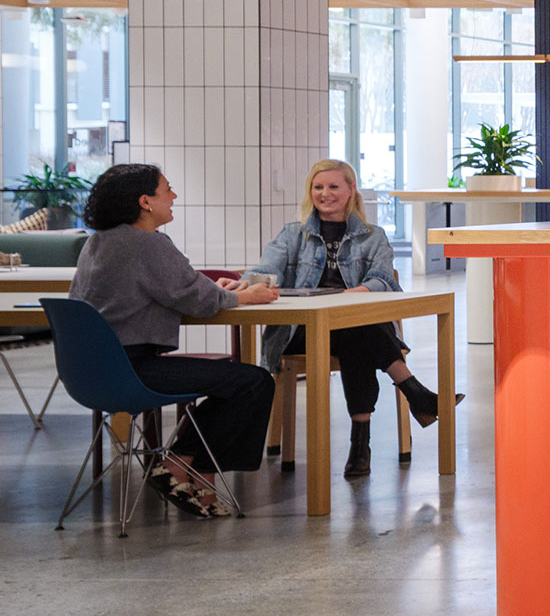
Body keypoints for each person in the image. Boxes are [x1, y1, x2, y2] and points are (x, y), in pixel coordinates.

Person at [68, 163, 279, 518]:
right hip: (133, 370)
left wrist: (213, 289)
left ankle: (192, 475)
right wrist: (248, 295)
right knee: (253, 382)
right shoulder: (148, 243)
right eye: (167, 189)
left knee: (238, 383)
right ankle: (183, 468)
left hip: (90, 373)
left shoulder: (97, 242)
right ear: (145, 201)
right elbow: (201, 301)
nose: (174, 196)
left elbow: (179, 289)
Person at [250, 159, 457, 479]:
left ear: (351, 190)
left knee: (354, 331)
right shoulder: (293, 234)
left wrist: (352, 294)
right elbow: (266, 271)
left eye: (333, 186)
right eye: (318, 187)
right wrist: (247, 283)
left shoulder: (373, 236)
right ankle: (409, 399)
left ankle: (367, 442)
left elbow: (385, 280)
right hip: (302, 330)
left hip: (354, 328)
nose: (325, 194)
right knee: (358, 330)